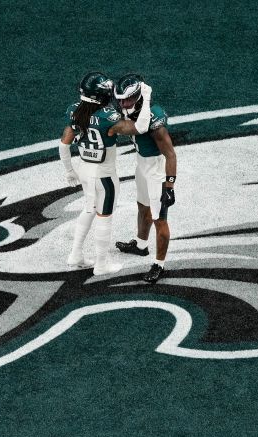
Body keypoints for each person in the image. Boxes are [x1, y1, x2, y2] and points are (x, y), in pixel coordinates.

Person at [59, 71, 152, 275]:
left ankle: (76, 255)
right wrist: (147, 98)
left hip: (84, 170)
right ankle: (101, 264)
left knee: (89, 209)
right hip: (105, 176)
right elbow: (141, 127)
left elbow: (64, 144)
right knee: (104, 216)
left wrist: (69, 172)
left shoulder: (74, 111)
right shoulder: (107, 118)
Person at [107, 73, 177, 284]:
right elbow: (136, 125)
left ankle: (159, 264)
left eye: (127, 99)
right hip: (141, 166)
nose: (122, 103)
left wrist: (169, 185)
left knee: (159, 218)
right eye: (119, 99)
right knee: (142, 207)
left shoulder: (153, 118)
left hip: (156, 170)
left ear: (138, 97)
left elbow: (170, 154)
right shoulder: (132, 113)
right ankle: (140, 244)